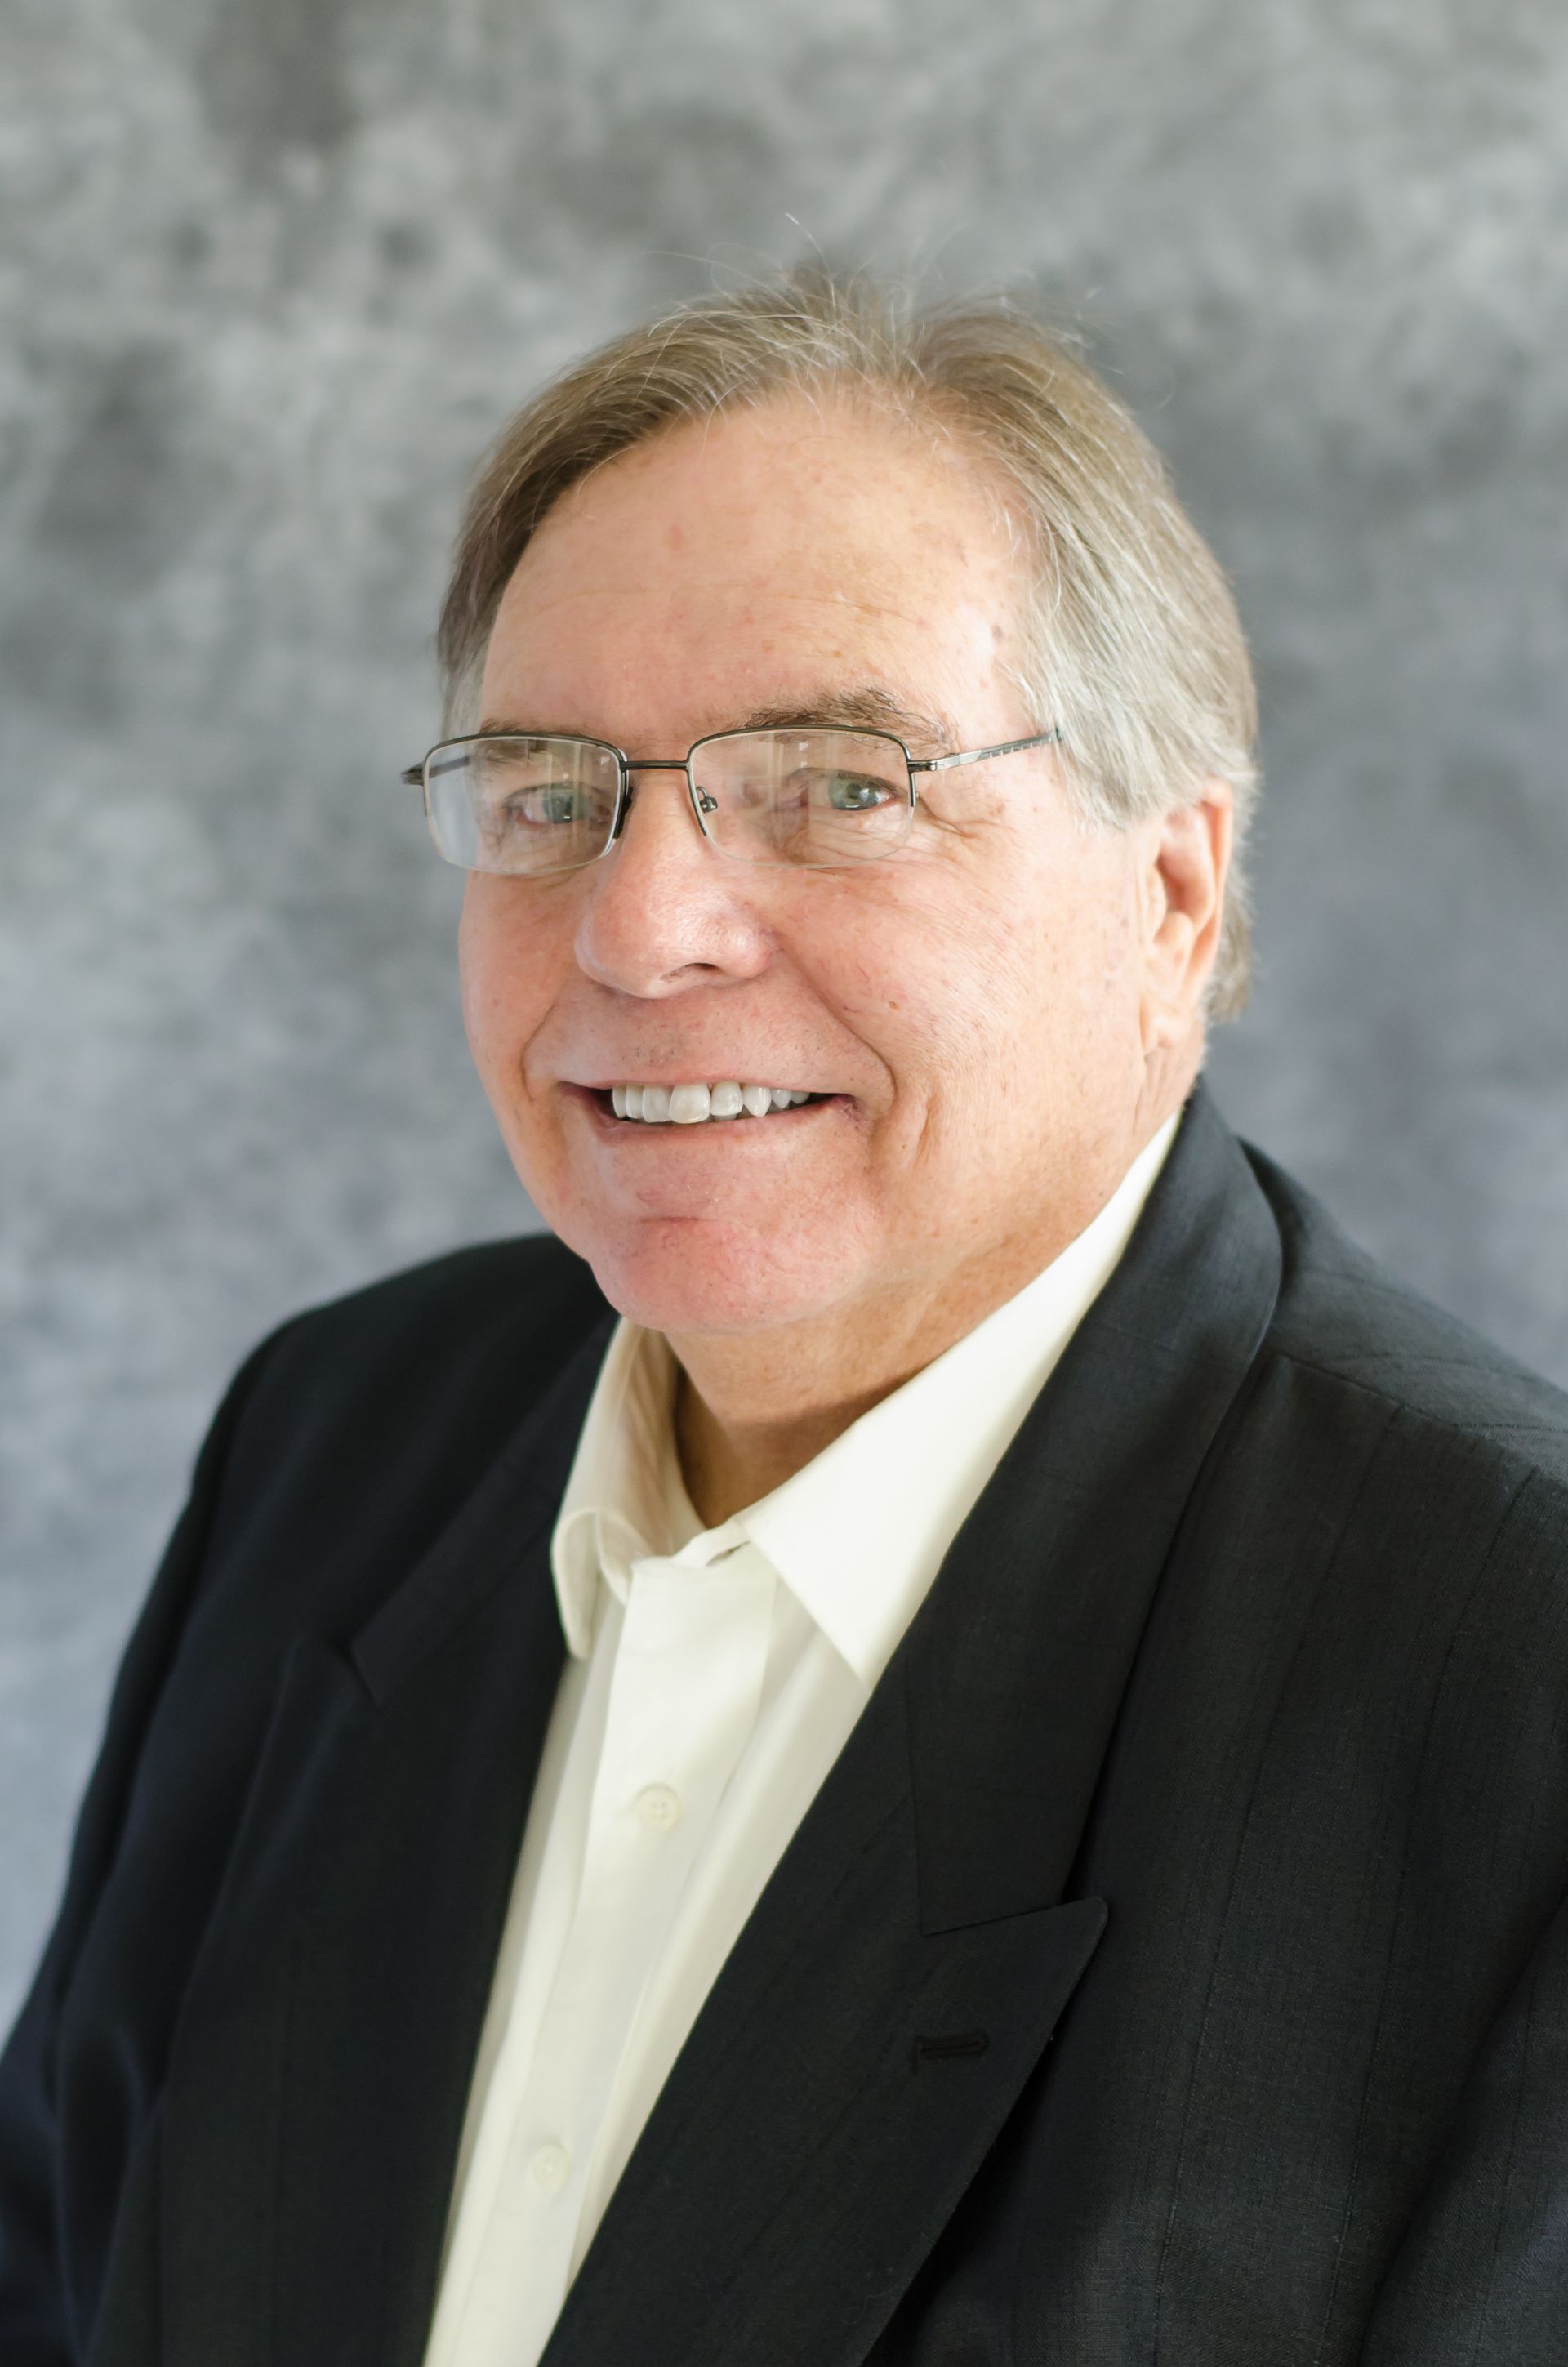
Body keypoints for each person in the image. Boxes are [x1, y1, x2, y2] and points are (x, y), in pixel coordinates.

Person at [2, 268, 1565, 2367]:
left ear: (1171, 896)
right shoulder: (342, 1437)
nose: (641, 931)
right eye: (552, 791)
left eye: (841, 784)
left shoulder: (1515, 1679)